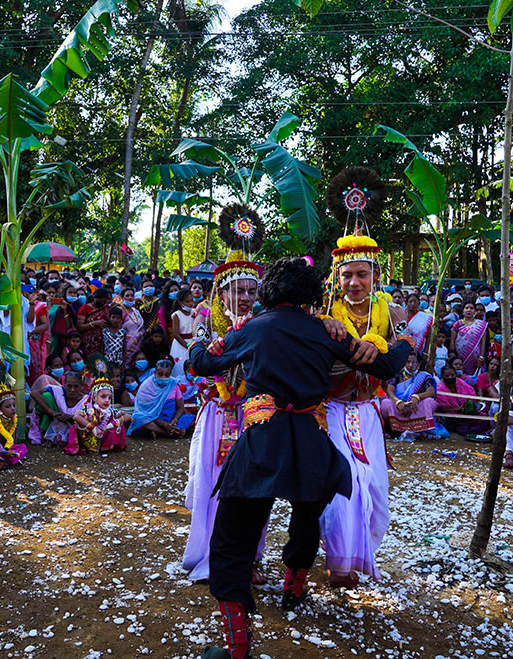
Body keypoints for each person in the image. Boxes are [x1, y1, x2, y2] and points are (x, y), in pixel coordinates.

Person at [191, 257, 411, 659]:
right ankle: (294, 584)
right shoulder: (328, 331)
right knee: (306, 518)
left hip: (262, 443)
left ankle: (238, 646)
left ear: (269, 293)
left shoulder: (252, 329)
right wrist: (405, 340)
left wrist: (196, 340)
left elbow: (203, 363)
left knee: (232, 539)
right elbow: (385, 365)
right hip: (312, 443)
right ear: (311, 295)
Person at [317, 212, 402, 589]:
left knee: (375, 491)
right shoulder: (326, 313)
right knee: (342, 487)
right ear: (336, 276)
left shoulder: (386, 309)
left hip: (368, 412)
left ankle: (363, 554)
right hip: (333, 411)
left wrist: (381, 343)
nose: (354, 282)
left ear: (375, 276)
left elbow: (399, 354)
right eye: (347, 275)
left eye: (362, 274)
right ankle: (339, 563)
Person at [184, 211, 265, 584]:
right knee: (213, 485)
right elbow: (196, 365)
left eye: (251, 290)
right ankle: (214, 552)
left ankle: (249, 558)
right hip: (217, 416)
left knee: (252, 489)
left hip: (253, 417)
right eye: (238, 290)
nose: (246, 297)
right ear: (223, 291)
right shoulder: (205, 319)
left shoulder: (263, 324)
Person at [378, 351, 438, 440]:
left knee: (430, 402)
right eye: (408, 362)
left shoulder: (423, 376)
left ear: (419, 363)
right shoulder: (397, 374)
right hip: (398, 407)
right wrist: (398, 402)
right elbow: (390, 391)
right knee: (386, 403)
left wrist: (417, 397)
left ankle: (418, 430)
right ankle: (394, 430)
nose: (410, 365)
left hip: (415, 408)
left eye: (413, 363)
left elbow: (431, 392)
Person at [129, 359, 191, 438]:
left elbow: (180, 407)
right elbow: (145, 412)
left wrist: (174, 420)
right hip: (153, 419)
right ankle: (166, 433)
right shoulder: (146, 386)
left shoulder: (174, 384)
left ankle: (161, 430)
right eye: (160, 374)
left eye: (167, 375)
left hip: (170, 418)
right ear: (155, 373)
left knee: (190, 418)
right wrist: (164, 424)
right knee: (137, 418)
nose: (163, 377)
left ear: (171, 374)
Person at [66, 378, 130, 455]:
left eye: (109, 397)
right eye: (103, 396)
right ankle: (84, 447)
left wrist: (112, 424)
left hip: (104, 434)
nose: (107, 400)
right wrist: (93, 428)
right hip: (89, 434)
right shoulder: (88, 407)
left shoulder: (110, 409)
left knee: (119, 422)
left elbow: (128, 416)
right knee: (82, 420)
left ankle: (106, 446)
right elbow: (76, 417)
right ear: (94, 398)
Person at [31, 371, 87, 446]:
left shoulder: (86, 400)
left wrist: (72, 417)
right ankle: (46, 435)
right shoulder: (58, 390)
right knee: (46, 396)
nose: (72, 390)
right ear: (64, 385)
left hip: (76, 429)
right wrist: (51, 411)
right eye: (69, 386)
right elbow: (34, 393)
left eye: (76, 386)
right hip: (56, 420)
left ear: (81, 386)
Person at [450, 301, 487, 378]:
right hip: (460, 355)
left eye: (471, 308)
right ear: (463, 310)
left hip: (475, 357)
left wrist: (481, 357)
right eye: (466, 308)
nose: (469, 310)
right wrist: (452, 353)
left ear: (475, 311)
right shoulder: (458, 324)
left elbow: (483, 342)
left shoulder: (481, 324)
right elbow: (452, 340)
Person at [169, 289, 195, 383]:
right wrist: (188, 346)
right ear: (181, 302)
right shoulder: (176, 315)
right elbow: (176, 334)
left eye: (192, 300)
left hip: (193, 341)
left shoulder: (195, 312)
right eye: (187, 301)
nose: (191, 303)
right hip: (181, 345)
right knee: (180, 368)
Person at [77, 288, 111, 356]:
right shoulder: (85, 308)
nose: (102, 304)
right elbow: (79, 327)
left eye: (104, 302)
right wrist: (94, 324)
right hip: (89, 343)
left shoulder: (106, 307)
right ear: (94, 297)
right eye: (100, 301)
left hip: (104, 342)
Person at [119, 287, 144, 368]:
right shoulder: (119, 311)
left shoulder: (135, 311)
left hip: (138, 344)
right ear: (123, 297)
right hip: (124, 346)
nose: (130, 297)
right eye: (127, 296)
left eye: (132, 295)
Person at [102, 307, 127, 373]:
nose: (115, 320)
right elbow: (102, 347)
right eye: (113, 317)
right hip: (107, 361)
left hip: (118, 362)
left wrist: (123, 364)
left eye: (118, 318)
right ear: (109, 318)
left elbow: (124, 348)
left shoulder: (122, 332)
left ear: (121, 319)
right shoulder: (104, 331)